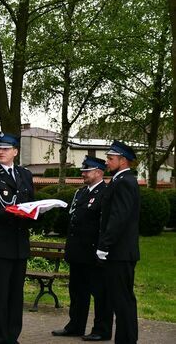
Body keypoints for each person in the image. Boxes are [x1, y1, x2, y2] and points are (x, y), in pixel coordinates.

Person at [0, 132, 34, 344]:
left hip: (19, 243)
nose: (1, 151)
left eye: (5, 148)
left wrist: (36, 213)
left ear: (15, 151)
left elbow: (30, 202)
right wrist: (17, 213)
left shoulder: (24, 174)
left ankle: (12, 337)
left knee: (15, 295)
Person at [52, 156, 113, 341]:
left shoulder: (106, 192)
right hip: (78, 252)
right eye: (83, 171)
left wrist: (103, 249)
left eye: (87, 171)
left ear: (99, 172)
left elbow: (106, 224)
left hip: (94, 253)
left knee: (100, 293)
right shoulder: (80, 193)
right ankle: (76, 325)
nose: (83, 174)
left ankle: (102, 330)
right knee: (77, 292)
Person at [97, 140, 140, 344]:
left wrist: (105, 245)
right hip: (120, 251)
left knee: (123, 301)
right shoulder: (119, 180)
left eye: (111, 158)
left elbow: (118, 217)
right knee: (120, 300)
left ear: (123, 161)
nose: (107, 162)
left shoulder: (124, 181)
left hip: (120, 252)